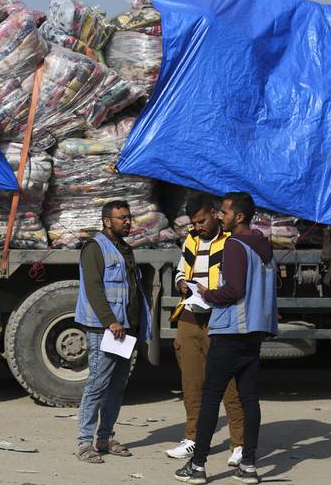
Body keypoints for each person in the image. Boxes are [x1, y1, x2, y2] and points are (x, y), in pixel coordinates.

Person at [175, 192, 278, 485]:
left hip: (231, 329)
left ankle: (197, 466)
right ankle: (248, 464)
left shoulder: (235, 245)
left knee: (210, 397)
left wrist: (207, 293)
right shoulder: (263, 245)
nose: (220, 216)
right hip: (255, 331)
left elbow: (233, 291)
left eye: (224, 212)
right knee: (249, 398)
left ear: (240, 216)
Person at [164, 193, 245, 464]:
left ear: (214, 214)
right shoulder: (190, 239)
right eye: (194, 223)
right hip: (189, 315)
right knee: (191, 382)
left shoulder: (230, 242)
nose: (197, 227)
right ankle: (193, 438)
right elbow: (180, 269)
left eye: (201, 221)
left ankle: (239, 444)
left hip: (218, 318)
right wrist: (181, 283)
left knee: (228, 384)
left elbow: (234, 282)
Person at [74, 200, 152, 464]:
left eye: (129, 217)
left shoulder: (124, 248)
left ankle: (105, 438)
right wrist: (110, 321)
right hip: (106, 329)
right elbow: (93, 289)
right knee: (97, 384)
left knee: (117, 386)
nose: (128, 221)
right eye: (122, 218)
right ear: (107, 221)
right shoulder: (95, 248)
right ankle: (85, 443)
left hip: (126, 329)